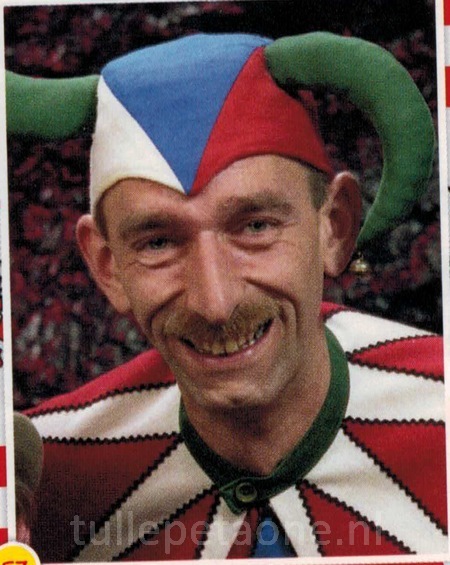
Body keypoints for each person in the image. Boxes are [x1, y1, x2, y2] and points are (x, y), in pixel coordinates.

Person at [7, 32, 446, 561]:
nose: (215, 303)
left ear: (334, 226)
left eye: (256, 226)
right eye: (159, 242)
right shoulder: (36, 487)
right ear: (108, 266)